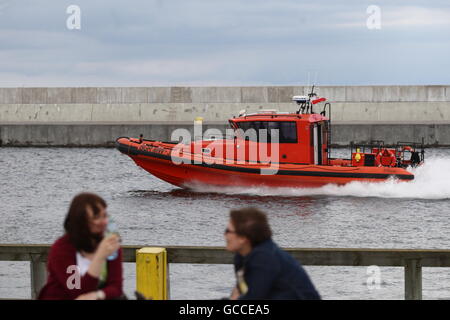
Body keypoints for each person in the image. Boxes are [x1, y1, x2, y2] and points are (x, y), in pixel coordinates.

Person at [38, 193, 123, 300]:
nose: (104, 222)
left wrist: (97, 295)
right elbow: (77, 292)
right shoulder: (62, 248)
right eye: (96, 217)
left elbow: (116, 287)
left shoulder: (110, 245)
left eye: (105, 215)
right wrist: (100, 256)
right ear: (81, 221)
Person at [224, 207, 320, 300]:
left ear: (243, 238)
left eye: (227, 231)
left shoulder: (265, 258)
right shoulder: (242, 256)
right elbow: (241, 292)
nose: (224, 235)